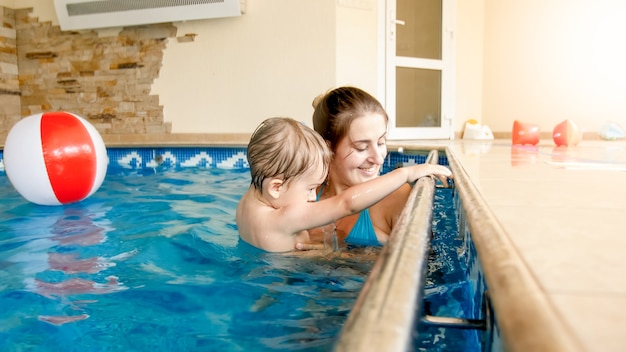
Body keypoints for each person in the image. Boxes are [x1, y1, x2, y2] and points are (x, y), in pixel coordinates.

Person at [236, 117, 452, 253]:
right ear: (276, 187)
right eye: (310, 189)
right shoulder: (285, 218)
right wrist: (405, 173)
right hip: (293, 284)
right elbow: (346, 203)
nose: (313, 196)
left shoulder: (248, 201)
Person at [298, 86, 441, 250]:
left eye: (381, 142)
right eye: (361, 148)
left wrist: (336, 257)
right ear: (328, 149)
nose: (378, 158)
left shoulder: (397, 197)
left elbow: (422, 269)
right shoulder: (305, 196)